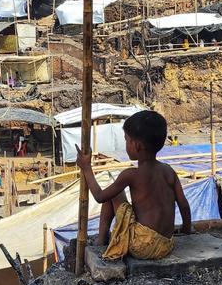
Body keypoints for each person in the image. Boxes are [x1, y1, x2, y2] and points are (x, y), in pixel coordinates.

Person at [77, 110, 192, 261]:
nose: (125, 144)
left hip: (142, 246)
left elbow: (99, 197)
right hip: (166, 244)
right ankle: (102, 238)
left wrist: (86, 168)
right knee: (116, 193)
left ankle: (101, 239)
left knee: (114, 193)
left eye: (126, 140)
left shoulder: (131, 174)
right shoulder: (169, 171)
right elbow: (184, 205)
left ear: (136, 145)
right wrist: (186, 230)